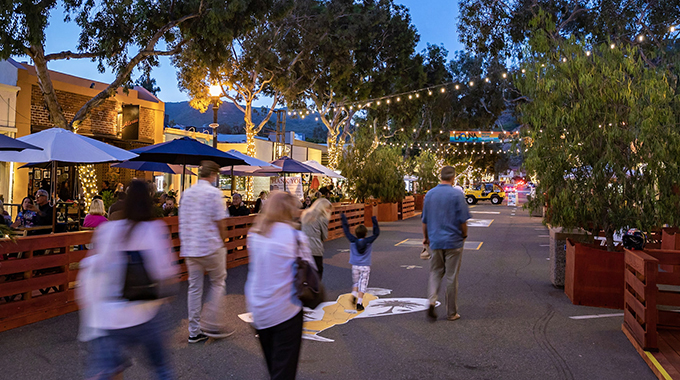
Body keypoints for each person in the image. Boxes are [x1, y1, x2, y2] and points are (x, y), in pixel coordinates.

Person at [77, 179, 178, 379]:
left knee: (105, 370)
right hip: (145, 312)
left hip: (110, 316)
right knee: (161, 369)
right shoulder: (154, 229)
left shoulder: (107, 231)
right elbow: (167, 276)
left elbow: (96, 267)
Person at [245, 191, 316, 380]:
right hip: (286, 309)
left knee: (273, 365)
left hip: (259, 309)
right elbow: (311, 269)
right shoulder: (295, 237)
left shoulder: (254, 235)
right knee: (284, 370)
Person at [179, 160, 232, 343]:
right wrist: (223, 242)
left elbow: (182, 221)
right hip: (210, 245)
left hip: (190, 248)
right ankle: (212, 322)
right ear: (214, 174)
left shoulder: (186, 194)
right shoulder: (214, 194)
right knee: (218, 282)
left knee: (194, 288)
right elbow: (220, 222)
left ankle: (194, 330)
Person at [422, 166, 472, 322]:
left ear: (440, 176)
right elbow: (463, 221)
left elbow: (425, 221)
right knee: (451, 276)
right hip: (454, 241)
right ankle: (451, 313)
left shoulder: (430, 194)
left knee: (435, 272)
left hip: (435, 240)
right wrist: (464, 235)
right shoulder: (457, 194)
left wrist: (426, 238)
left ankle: (431, 301)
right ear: (453, 177)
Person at [340, 213, 379, 311]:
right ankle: (359, 303)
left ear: (356, 233)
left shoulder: (353, 240)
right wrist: (374, 220)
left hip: (355, 265)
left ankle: (353, 294)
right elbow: (376, 233)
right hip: (365, 265)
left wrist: (344, 218)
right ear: (365, 234)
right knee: (363, 284)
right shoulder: (368, 241)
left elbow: (346, 231)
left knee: (356, 282)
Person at [301, 198, 332, 279]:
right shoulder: (322, 218)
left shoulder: (306, 214)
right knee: (317, 273)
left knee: (306, 274)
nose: (328, 211)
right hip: (315, 249)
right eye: (327, 208)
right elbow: (324, 236)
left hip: (303, 248)